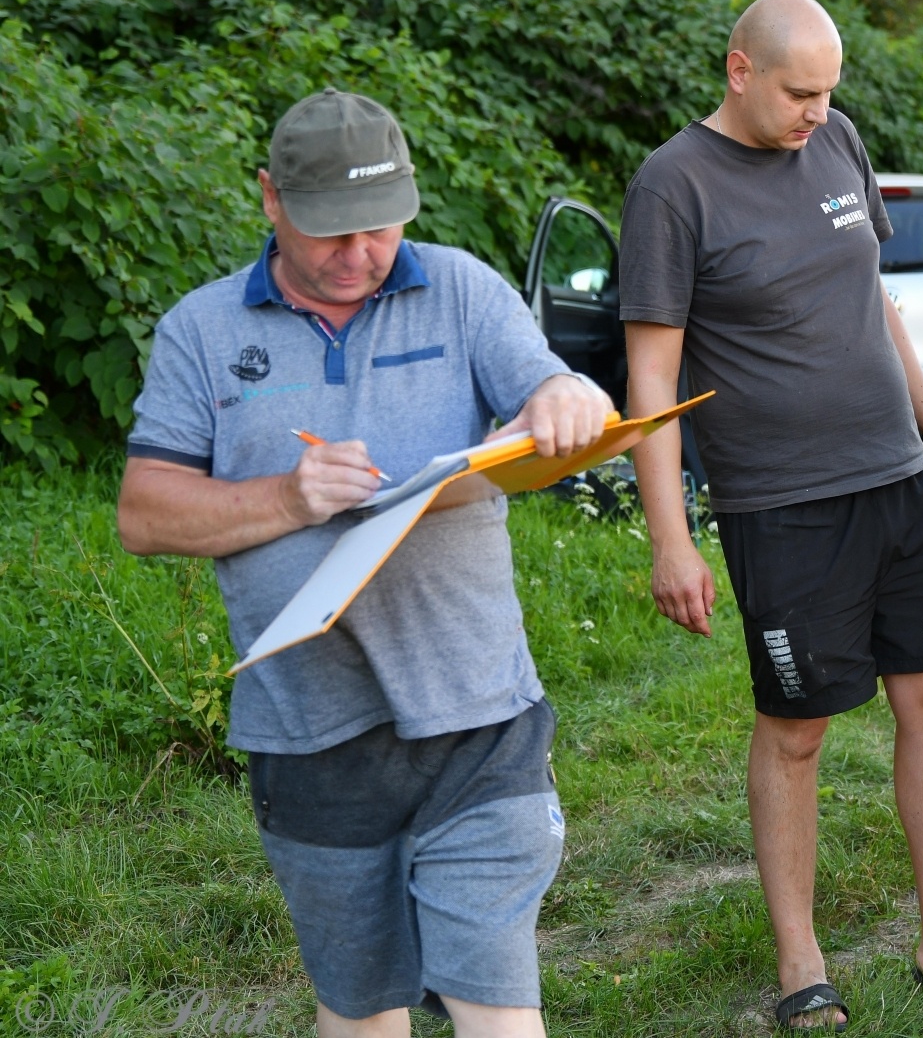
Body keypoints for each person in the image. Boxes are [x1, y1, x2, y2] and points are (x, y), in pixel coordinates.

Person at [117, 89, 612, 1038]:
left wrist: (564, 396)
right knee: (361, 1011)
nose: (358, 254)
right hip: (310, 732)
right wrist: (286, 498)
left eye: (380, 227)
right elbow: (143, 513)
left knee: (497, 1002)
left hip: (479, 718)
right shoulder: (202, 331)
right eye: (331, 232)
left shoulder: (463, 289)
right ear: (270, 198)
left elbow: (548, 385)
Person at [618, 0, 923, 1034]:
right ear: (739, 71)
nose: (818, 111)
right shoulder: (673, 185)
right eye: (799, 92)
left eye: (828, 92)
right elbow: (651, 380)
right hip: (782, 503)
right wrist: (671, 537)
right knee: (798, 726)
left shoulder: (836, 138)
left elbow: (873, 296)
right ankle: (801, 961)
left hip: (896, 475)